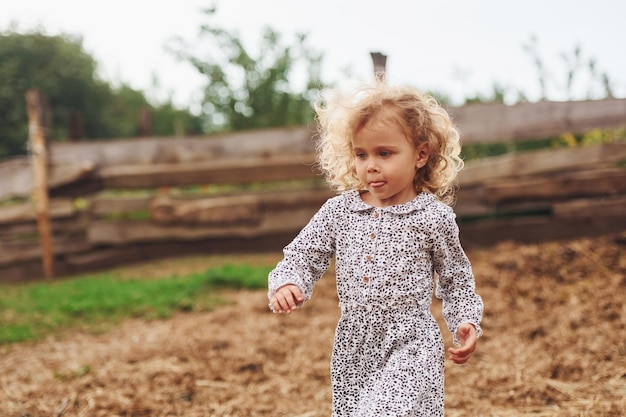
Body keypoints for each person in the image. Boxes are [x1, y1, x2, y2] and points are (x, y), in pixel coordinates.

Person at [267, 82, 484, 416]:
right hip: (355, 347)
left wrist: (465, 321)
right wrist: (289, 281)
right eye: (361, 154)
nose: (370, 165)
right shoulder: (339, 212)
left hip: (412, 344)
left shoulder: (432, 217)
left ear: (420, 154)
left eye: (385, 153)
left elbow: (455, 278)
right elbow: (303, 255)